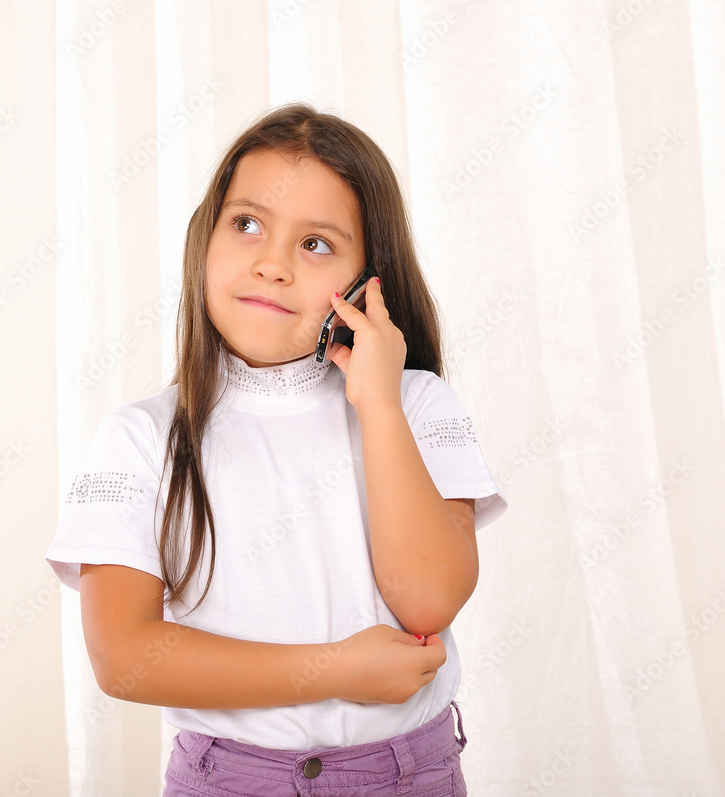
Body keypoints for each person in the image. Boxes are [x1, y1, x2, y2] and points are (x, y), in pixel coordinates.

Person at [46, 103, 507, 796]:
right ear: (206, 237)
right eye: (248, 225)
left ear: (366, 284)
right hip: (228, 779)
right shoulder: (140, 436)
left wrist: (378, 404)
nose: (271, 264)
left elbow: (430, 598)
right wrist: (337, 668)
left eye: (316, 244)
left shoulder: (416, 405)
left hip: (405, 775)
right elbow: (124, 657)